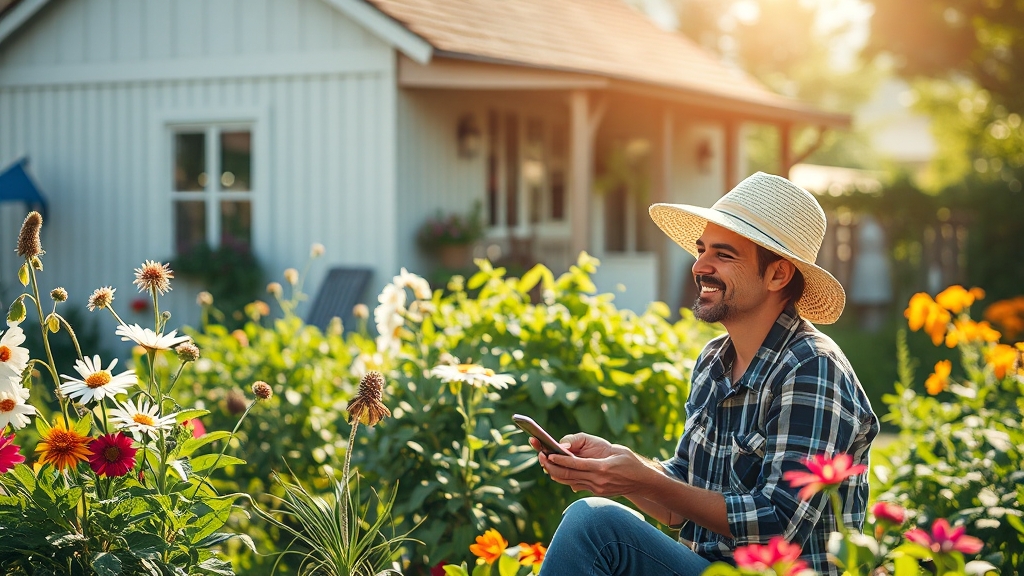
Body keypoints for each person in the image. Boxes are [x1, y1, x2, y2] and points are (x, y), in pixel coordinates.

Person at [533, 172, 879, 576]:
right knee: (593, 520)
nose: (699, 266)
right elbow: (681, 500)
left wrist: (643, 479)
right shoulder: (714, 361)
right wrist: (617, 469)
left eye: (724, 254)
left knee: (594, 526)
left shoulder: (812, 368)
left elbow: (779, 527)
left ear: (778, 275)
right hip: (708, 567)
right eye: (701, 249)